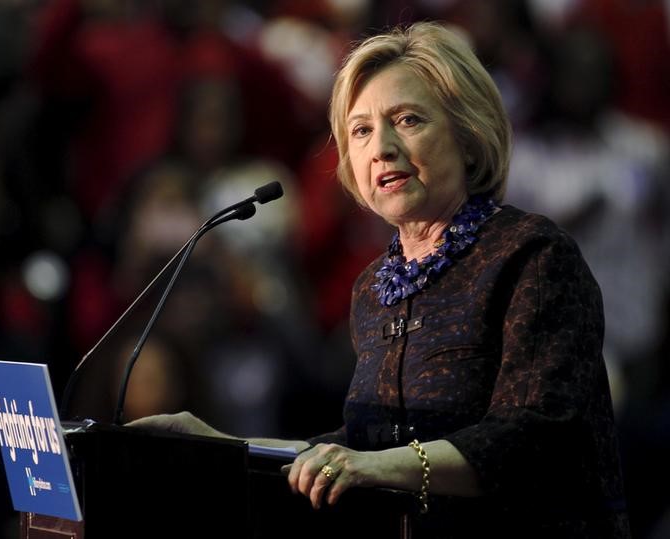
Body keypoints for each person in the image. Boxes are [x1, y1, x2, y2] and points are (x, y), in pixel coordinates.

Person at [128, 22, 630, 537]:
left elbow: (535, 440)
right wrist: (215, 446)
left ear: (470, 134)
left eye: (407, 120)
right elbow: (358, 449)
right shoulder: (376, 288)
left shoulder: (532, 256)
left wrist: (376, 466)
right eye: (361, 130)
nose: (381, 147)